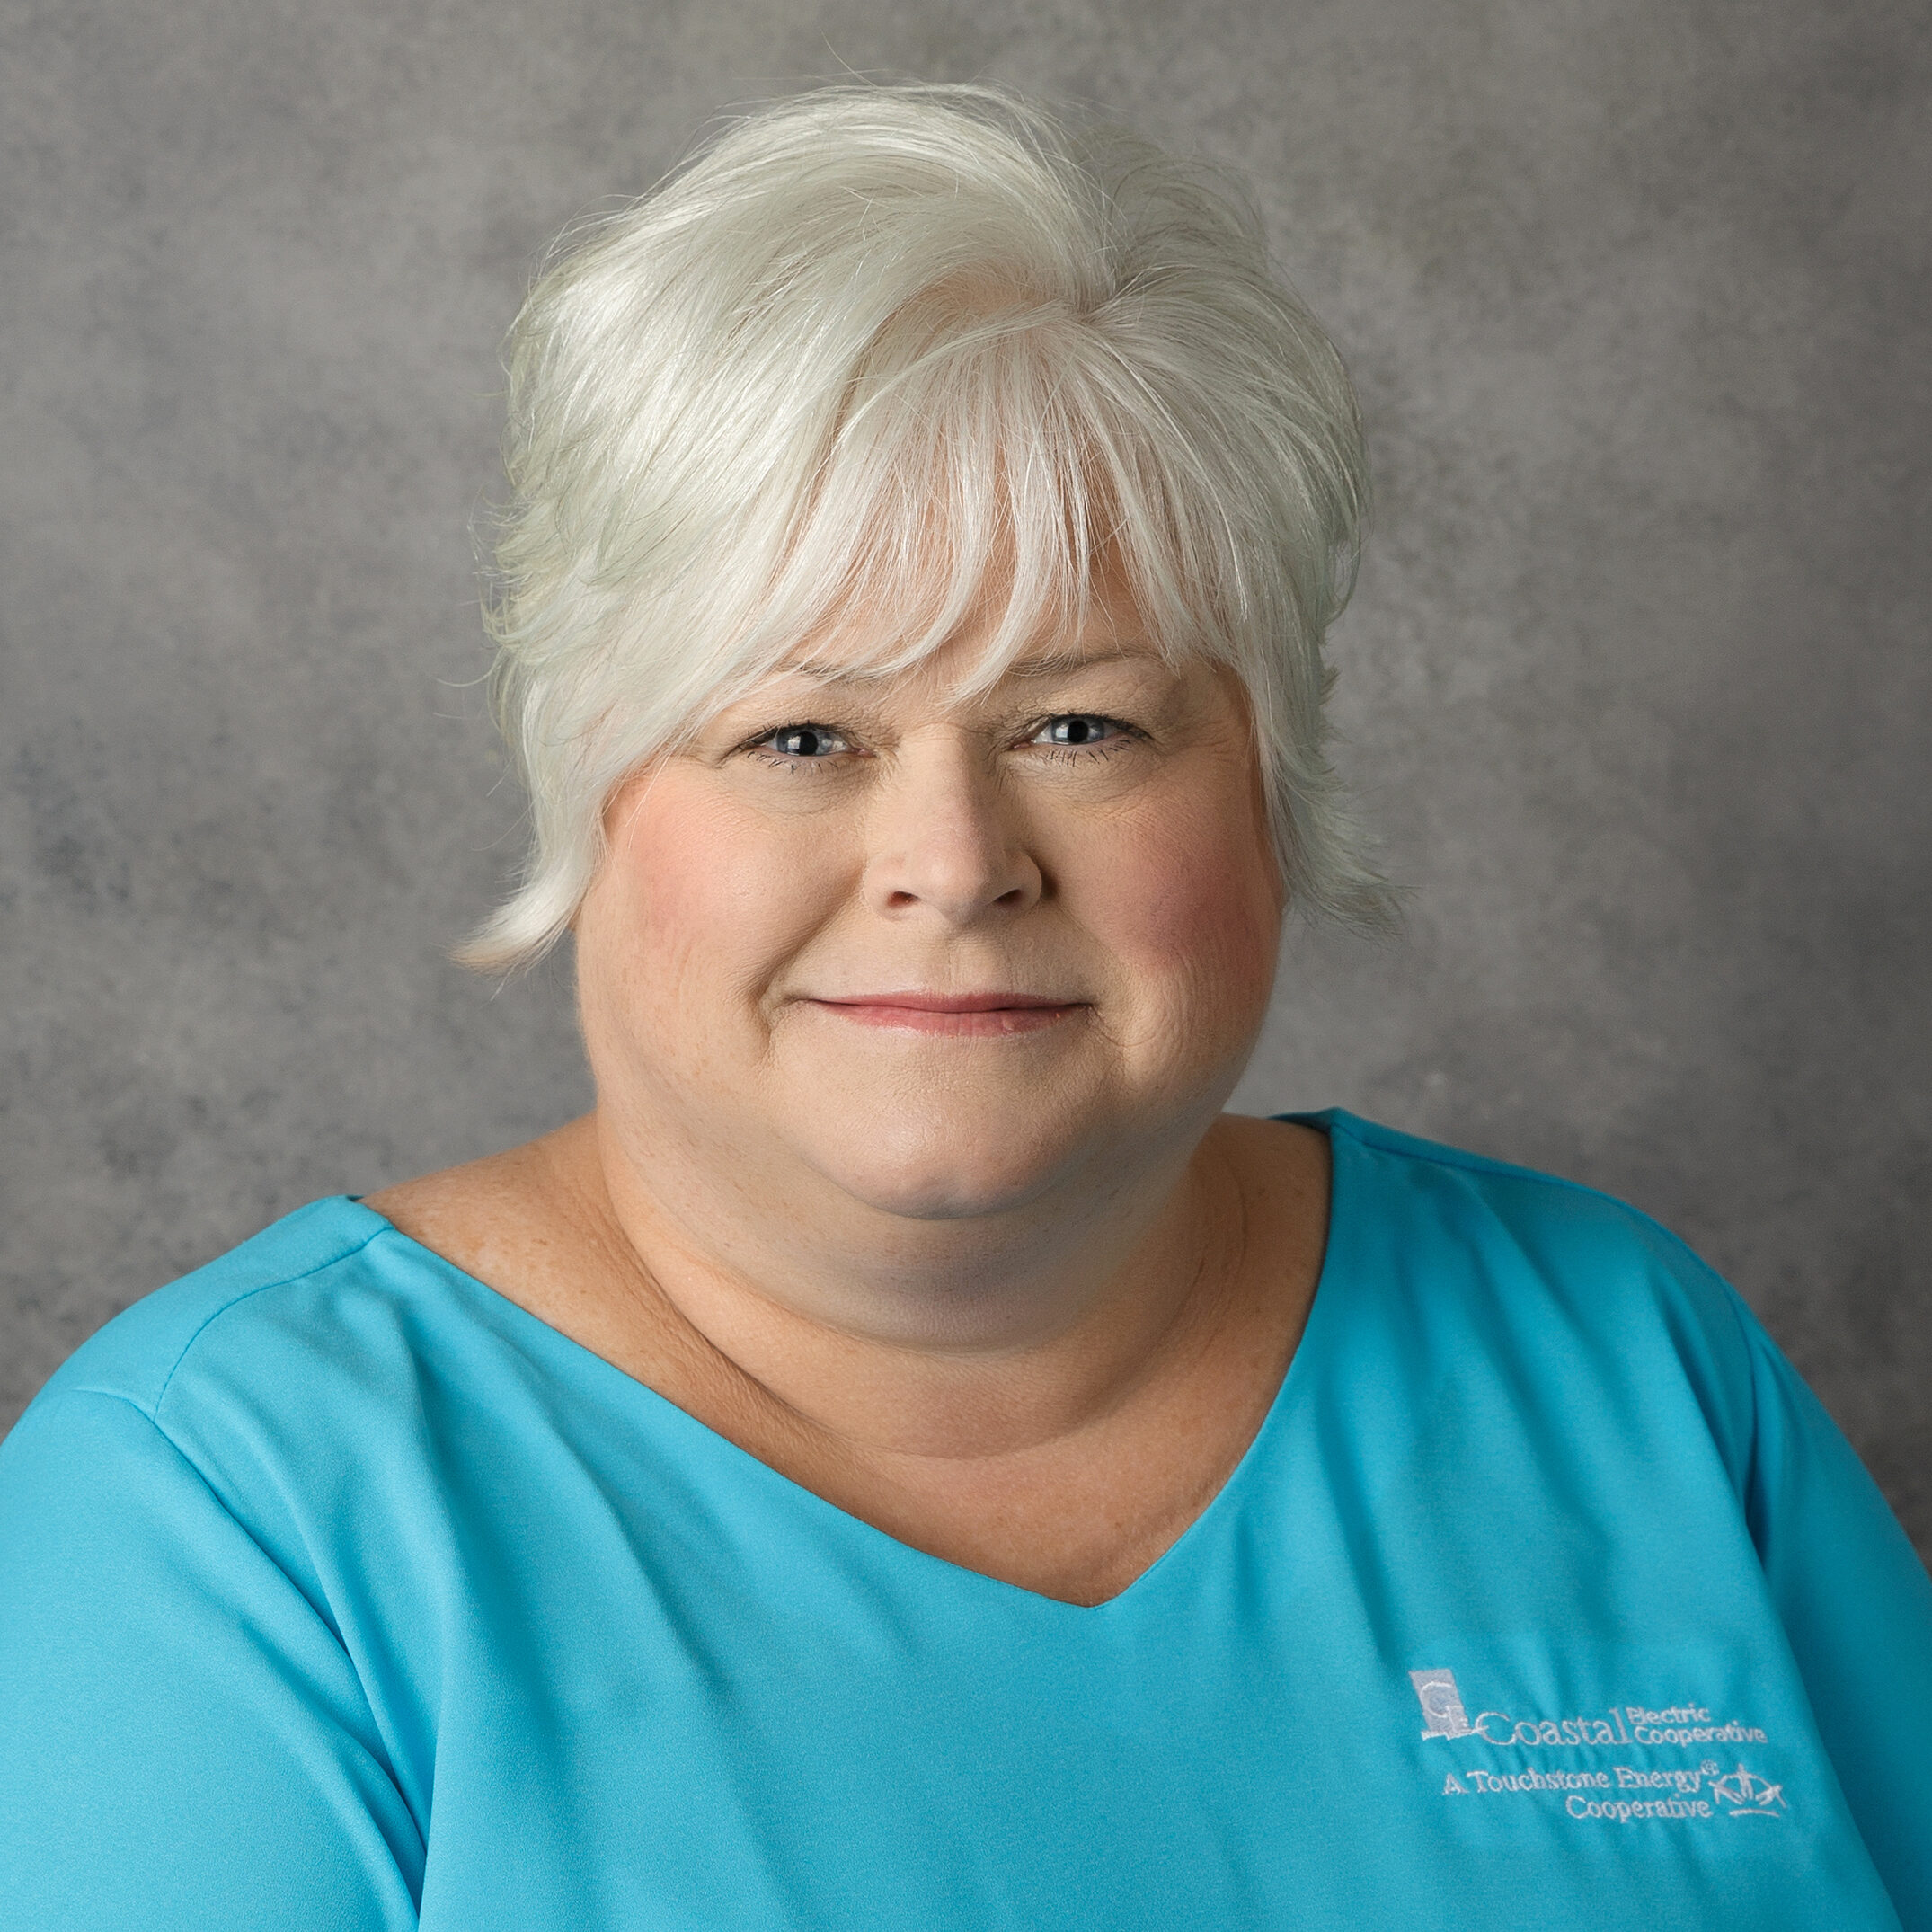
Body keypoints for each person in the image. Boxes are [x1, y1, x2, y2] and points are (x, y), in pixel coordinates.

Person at [0, 81, 1927, 1932]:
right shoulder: (224, 1517)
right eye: (802, 732)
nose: (954, 855)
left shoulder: (1627, 1364)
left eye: (1078, 721)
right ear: (593, 790)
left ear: (1266, 782)